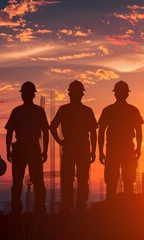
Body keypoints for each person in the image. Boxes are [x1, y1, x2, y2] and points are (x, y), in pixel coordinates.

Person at [50, 80, 97, 211]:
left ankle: (70, 206)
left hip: (73, 148)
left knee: (70, 179)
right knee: (80, 179)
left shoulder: (65, 110)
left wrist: (60, 141)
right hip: (80, 148)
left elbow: (52, 127)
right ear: (81, 94)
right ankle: (78, 206)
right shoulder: (86, 111)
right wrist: (93, 151)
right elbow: (93, 133)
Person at [5, 81, 49, 217]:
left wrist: (45, 150)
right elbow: (9, 132)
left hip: (30, 147)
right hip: (25, 147)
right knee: (23, 181)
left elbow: (45, 132)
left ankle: (36, 209)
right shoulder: (24, 111)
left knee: (29, 181)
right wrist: (45, 151)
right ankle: (31, 209)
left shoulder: (27, 111)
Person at [98, 81, 144, 200]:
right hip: (124, 148)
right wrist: (138, 148)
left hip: (116, 149)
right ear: (127, 94)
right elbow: (139, 131)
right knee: (124, 180)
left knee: (116, 180)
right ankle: (125, 207)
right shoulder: (132, 110)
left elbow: (101, 132)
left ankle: (113, 206)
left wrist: (100, 151)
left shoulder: (109, 110)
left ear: (115, 94)